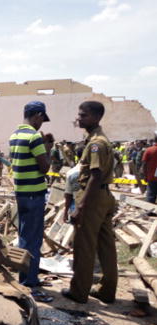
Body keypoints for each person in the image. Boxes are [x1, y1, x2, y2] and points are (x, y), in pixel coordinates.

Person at [62, 101, 117, 304]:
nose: (79, 118)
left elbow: (95, 175)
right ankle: (107, 291)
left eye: (83, 115)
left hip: (92, 197)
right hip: (104, 197)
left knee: (84, 246)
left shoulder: (96, 144)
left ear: (95, 117)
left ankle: (79, 291)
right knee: (106, 247)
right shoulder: (100, 140)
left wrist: (81, 207)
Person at [9, 101, 52, 301]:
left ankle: (27, 277)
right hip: (35, 194)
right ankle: (29, 283)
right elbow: (45, 168)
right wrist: (48, 148)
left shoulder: (14, 136)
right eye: (42, 119)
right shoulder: (34, 137)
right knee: (33, 240)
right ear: (37, 115)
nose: (42, 124)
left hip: (21, 193)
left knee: (25, 236)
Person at [142, 139, 157, 203]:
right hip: (152, 177)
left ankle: (150, 212)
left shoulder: (149, 150)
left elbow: (144, 165)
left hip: (152, 178)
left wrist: (145, 176)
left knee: (150, 197)